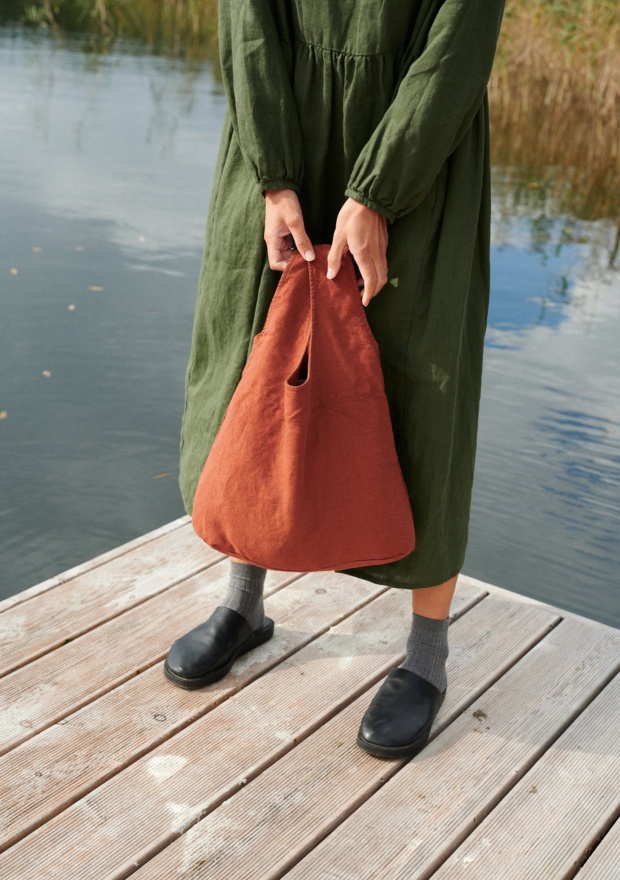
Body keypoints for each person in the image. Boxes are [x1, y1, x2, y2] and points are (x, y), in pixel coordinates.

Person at [165, 0, 506, 760]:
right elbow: (248, 22)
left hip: (418, 151)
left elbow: (460, 40)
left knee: (426, 387)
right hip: (277, 149)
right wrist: (275, 177)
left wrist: (379, 190)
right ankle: (245, 603)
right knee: (259, 365)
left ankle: (426, 654)